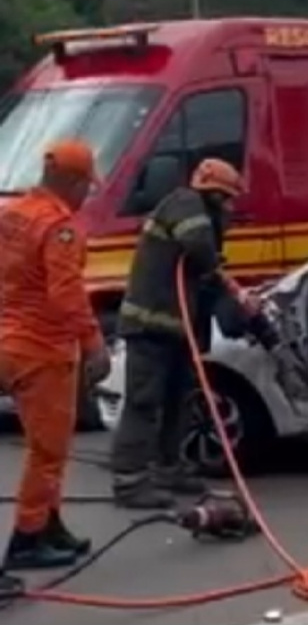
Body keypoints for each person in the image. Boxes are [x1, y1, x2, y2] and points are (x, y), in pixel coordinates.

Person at [110, 158, 251, 509]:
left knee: (177, 401)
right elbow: (200, 248)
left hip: (175, 329)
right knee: (144, 403)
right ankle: (130, 483)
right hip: (150, 326)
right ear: (214, 194)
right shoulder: (185, 204)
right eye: (228, 200)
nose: (231, 210)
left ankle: (169, 471)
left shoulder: (197, 211)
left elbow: (203, 274)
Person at [0, 140, 110, 571]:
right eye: (86, 185)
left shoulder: (13, 215)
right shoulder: (58, 226)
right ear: (71, 181)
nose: (87, 194)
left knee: (51, 447)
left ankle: (49, 524)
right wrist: (93, 342)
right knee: (47, 451)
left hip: (9, 343)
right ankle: (28, 539)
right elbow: (65, 294)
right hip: (42, 350)